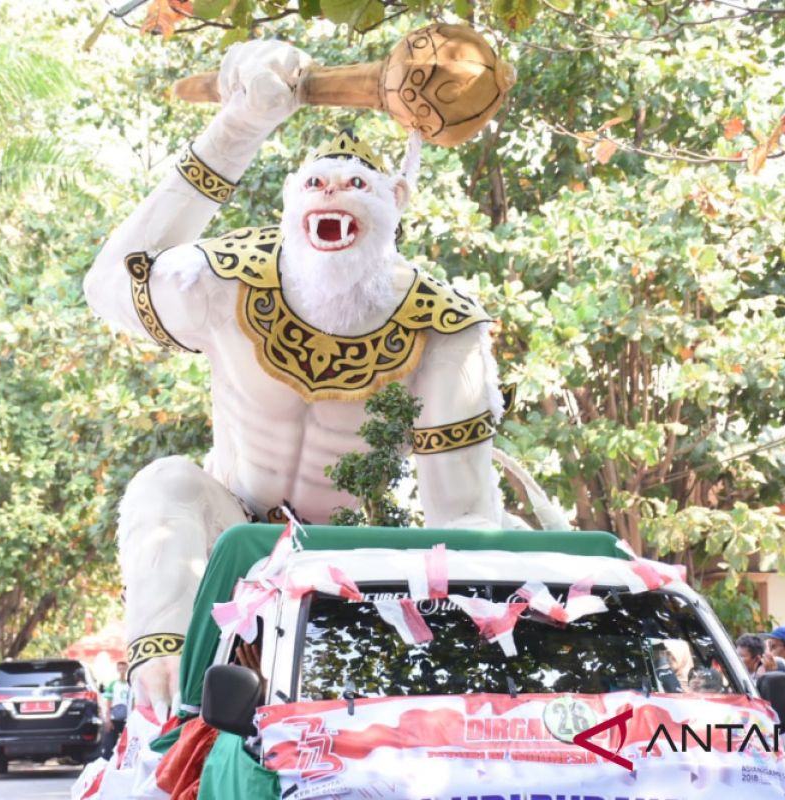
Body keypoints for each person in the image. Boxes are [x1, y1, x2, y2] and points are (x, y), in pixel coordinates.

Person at [83, 39, 513, 718]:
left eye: (357, 185)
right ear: (287, 206)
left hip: (369, 562)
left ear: (398, 199)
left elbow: (458, 516)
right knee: (165, 484)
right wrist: (238, 127)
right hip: (233, 542)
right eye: (314, 184)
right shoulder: (228, 277)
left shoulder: (445, 326)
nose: (333, 192)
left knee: (491, 536)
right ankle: (168, 689)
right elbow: (110, 285)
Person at [101, 661, 130, 760]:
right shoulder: (113, 684)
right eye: (120, 669)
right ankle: (106, 762)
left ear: (127, 669)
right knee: (109, 743)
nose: (122, 671)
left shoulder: (130, 685)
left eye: (124, 668)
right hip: (114, 717)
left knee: (127, 742)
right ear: (117, 670)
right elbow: (108, 702)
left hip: (126, 718)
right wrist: (108, 719)